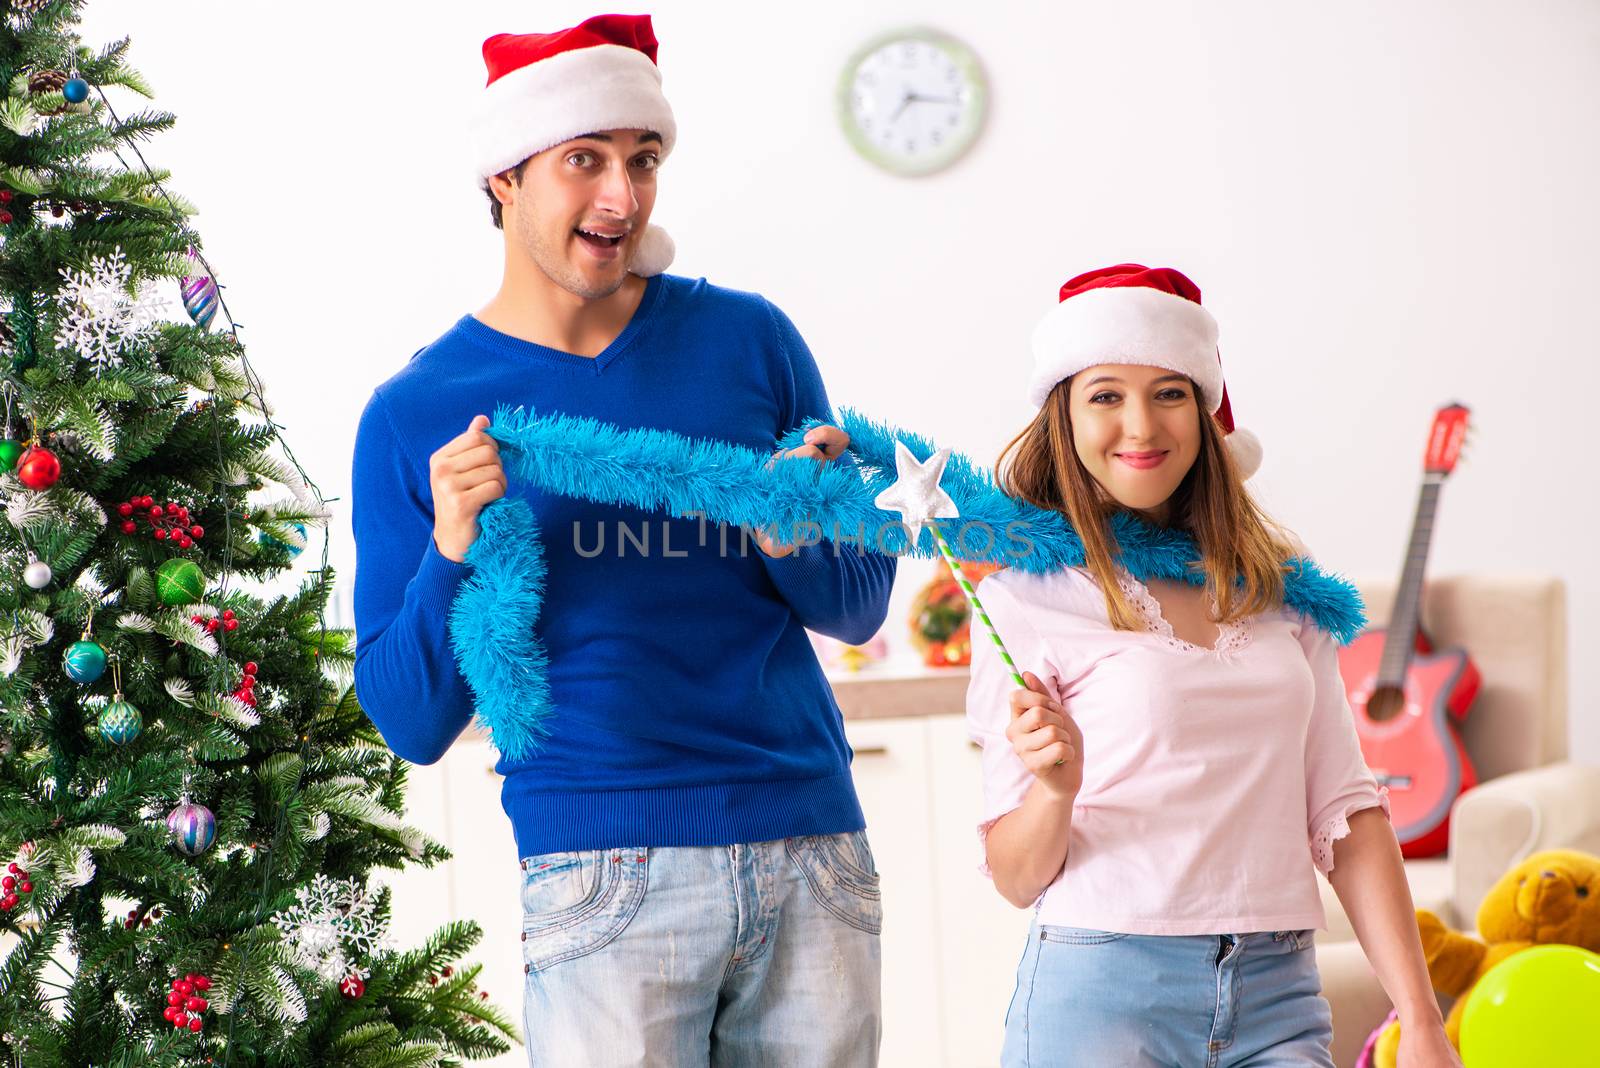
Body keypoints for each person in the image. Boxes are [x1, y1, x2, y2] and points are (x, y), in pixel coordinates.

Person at [351, 14, 895, 1066]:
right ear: (505, 179)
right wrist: (452, 548)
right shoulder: (417, 411)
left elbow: (858, 603)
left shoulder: (748, 339)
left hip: (810, 847)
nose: (622, 197)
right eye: (584, 162)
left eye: (642, 160)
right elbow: (410, 719)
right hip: (600, 867)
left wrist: (792, 534)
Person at [966, 264, 1459, 1067]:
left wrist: (1422, 1016)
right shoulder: (1027, 596)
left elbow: (1345, 808)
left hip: (1279, 991)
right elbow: (1018, 878)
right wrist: (1056, 788)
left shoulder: (1277, 585)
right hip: (1101, 994)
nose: (1140, 424)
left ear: (1204, 410)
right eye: (1105, 395)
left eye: (1168, 392)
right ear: (1064, 415)